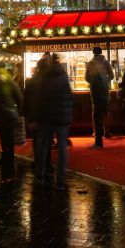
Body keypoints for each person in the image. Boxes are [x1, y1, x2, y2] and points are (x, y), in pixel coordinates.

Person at [35, 57, 74, 188]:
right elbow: (69, 97)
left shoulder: (45, 78)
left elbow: (40, 99)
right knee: (62, 148)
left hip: (46, 118)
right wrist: (68, 114)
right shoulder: (64, 78)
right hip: (62, 119)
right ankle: (60, 180)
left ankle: (40, 173)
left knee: (43, 145)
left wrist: (38, 116)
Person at [0, 64, 23, 183]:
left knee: (3, 139)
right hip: (10, 115)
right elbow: (19, 98)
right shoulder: (12, 83)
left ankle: (5, 160)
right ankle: (10, 162)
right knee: (10, 139)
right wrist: (18, 111)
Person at [85, 47, 113, 148]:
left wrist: (94, 82)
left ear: (93, 53)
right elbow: (112, 76)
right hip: (105, 90)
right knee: (105, 111)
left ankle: (98, 140)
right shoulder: (106, 62)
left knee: (96, 114)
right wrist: (105, 81)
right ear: (101, 52)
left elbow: (87, 78)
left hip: (95, 90)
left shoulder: (91, 63)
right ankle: (108, 131)